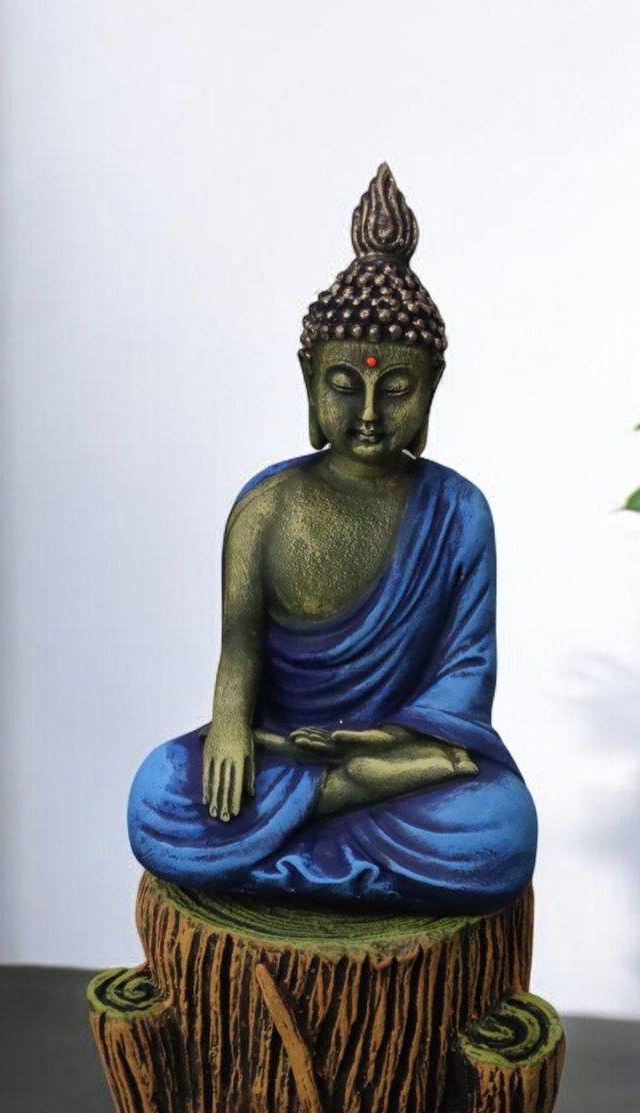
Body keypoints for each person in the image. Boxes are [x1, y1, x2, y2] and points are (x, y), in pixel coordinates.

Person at [127, 165, 536, 911]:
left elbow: (467, 674)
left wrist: (381, 747)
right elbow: (240, 648)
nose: (370, 412)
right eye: (345, 385)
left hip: (402, 759)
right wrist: (230, 728)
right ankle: (336, 805)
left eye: (397, 388)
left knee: (501, 828)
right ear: (309, 379)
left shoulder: (458, 512)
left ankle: (297, 832)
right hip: (285, 752)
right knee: (157, 793)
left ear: (433, 386)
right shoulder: (266, 506)